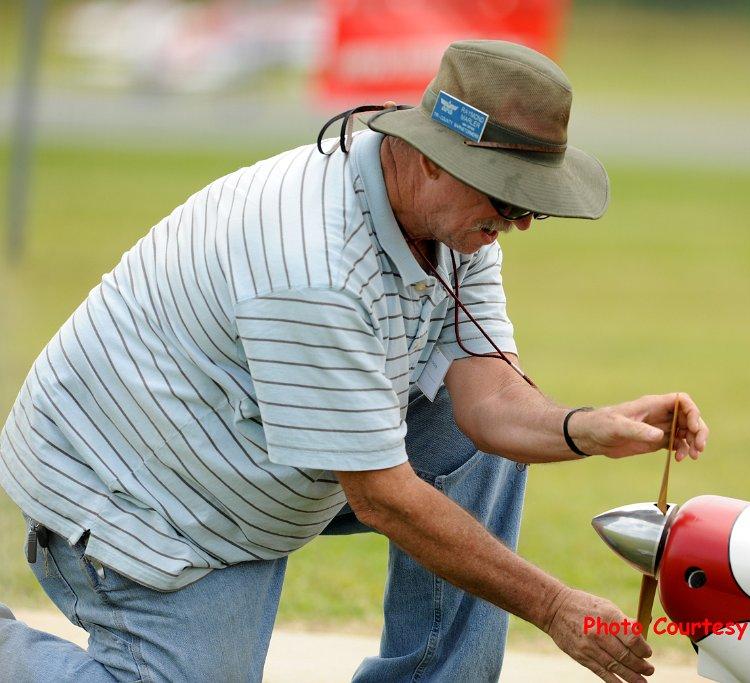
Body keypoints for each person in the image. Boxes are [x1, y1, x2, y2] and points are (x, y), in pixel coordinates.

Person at [0, 40, 708, 682]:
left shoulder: (453, 223)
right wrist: (554, 605)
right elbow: (382, 494)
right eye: (510, 196)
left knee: (466, 440)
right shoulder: (312, 265)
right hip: (139, 494)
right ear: (436, 157)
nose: (519, 223)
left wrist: (587, 426)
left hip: (255, 463)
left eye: (535, 206)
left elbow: (487, 404)